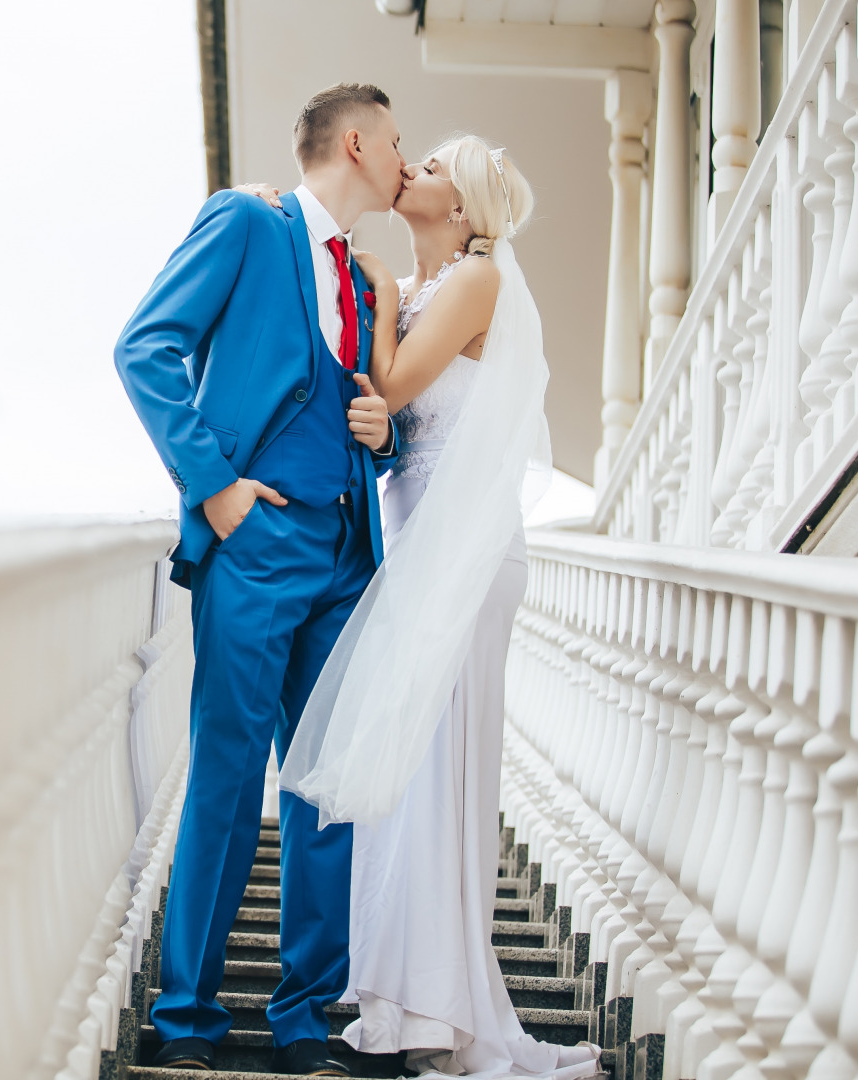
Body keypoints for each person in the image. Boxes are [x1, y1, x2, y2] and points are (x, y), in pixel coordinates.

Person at [244, 135, 601, 1078]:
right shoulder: (417, 286)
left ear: (465, 201)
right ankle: (403, 1004)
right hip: (414, 539)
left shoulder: (477, 278)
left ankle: (436, 1012)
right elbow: (367, 391)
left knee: (437, 767)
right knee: (404, 773)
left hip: (466, 548)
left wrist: (384, 308)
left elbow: (391, 390)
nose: (417, 169)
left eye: (435, 162)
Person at [114, 83, 405, 1075]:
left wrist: (382, 431)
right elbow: (146, 346)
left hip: (342, 554)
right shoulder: (249, 221)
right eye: (396, 143)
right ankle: (190, 1021)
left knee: (325, 793)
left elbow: (363, 416)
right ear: (357, 142)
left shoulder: (364, 285)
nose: (404, 163)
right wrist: (217, 489)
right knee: (231, 779)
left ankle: (303, 1023)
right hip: (257, 543)